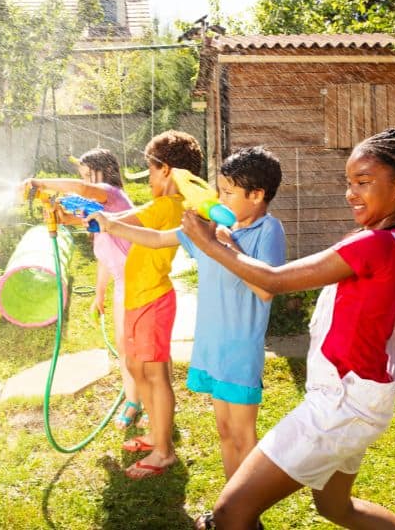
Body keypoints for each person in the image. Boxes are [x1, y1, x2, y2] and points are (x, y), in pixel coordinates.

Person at [182, 128, 395, 529]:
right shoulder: (392, 240)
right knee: (336, 508)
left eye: (363, 183)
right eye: (349, 182)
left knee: (230, 513)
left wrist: (211, 244)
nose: (351, 193)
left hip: (341, 404)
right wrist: (226, 245)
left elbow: (274, 280)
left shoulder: (372, 244)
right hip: (361, 400)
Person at [89, 146, 286, 494]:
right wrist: (111, 225)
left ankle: (248, 512)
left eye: (228, 193)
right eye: (219, 190)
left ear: (256, 196)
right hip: (210, 347)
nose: (219, 199)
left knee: (243, 435)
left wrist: (222, 244)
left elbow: (266, 288)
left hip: (240, 351)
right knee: (225, 433)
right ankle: (231, 508)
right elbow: (156, 239)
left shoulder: (268, 231)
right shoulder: (210, 227)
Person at [98, 130, 203, 480]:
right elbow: (115, 223)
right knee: (137, 367)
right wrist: (81, 215)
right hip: (138, 298)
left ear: (167, 171)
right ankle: (156, 435)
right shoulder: (164, 205)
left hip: (153, 300)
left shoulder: (168, 206)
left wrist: (100, 219)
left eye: (151, 170)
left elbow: (124, 224)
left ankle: (164, 452)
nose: (149, 179)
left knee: (155, 374)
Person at [20, 148, 146, 430]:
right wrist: (99, 294)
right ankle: (133, 401)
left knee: (139, 349)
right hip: (125, 283)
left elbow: (81, 189)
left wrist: (39, 182)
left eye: (90, 175)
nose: (85, 181)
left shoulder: (110, 193)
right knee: (125, 349)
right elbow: (104, 257)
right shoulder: (100, 213)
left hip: (140, 282)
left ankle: (151, 402)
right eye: (83, 175)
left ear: (104, 173)